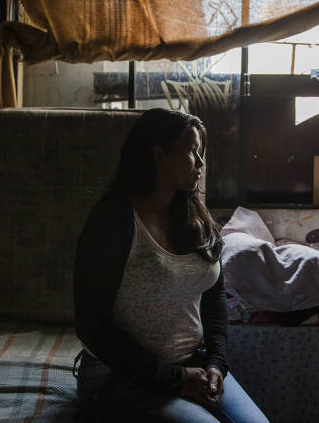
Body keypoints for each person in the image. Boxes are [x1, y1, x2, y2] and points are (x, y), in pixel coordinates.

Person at [74, 108, 269, 423]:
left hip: (194, 365)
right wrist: (175, 380)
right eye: (192, 152)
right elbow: (91, 324)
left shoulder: (193, 217)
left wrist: (217, 364)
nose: (201, 163)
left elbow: (213, 296)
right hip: (120, 378)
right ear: (158, 155)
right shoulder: (113, 221)